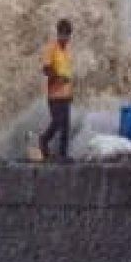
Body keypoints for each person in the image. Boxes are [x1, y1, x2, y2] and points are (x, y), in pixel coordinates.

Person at [39, 18, 74, 160]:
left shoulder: (67, 51)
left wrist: (70, 92)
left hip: (66, 94)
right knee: (57, 121)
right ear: (58, 33)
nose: (65, 37)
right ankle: (43, 140)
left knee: (66, 126)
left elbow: (68, 73)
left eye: (67, 35)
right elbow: (46, 69)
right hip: (54, 94)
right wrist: (58, 78)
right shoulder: (52, 49)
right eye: (62, 34)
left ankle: (63, 155)